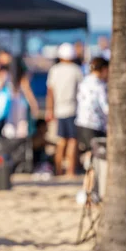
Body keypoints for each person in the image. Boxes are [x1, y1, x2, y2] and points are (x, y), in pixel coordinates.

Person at [46, 43, 83, 177]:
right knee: (73, 141)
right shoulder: (76, 70)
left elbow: (50, 92)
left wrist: (49, 110)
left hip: (59, 110)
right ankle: (70, 171)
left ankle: (58, 170)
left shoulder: (54, 70)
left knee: (61, 141)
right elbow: (81, 92)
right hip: (73, 109)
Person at [75, 57, 109, 154]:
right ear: (104, 69)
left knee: (89, 154)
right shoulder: (99, 85)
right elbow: (106, 108)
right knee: (97, 156)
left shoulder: (84, 82)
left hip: (81, 122)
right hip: (95, 124)